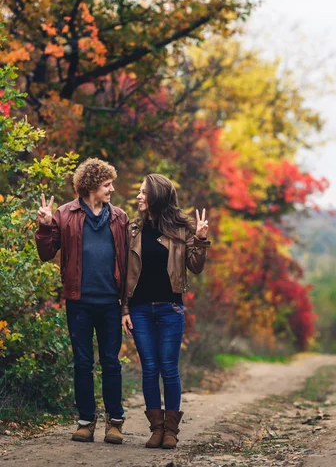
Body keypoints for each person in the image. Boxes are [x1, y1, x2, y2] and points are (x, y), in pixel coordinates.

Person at [35, 158, 129, 444]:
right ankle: (85, 421)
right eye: (107, 185)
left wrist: (126, 304)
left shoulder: (119, 217)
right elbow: (46, 254)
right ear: (90, 187)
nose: (112, 189)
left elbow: (127, 263)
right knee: (82, 363)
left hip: (111, 303)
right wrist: (44, 226)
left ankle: (114, 422)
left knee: (111, 362)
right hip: (79, 301)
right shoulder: (64, 214)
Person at [121, 174, 210, 450]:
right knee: (149, 369)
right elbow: (124, 273)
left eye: (143, 192)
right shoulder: (133, 229)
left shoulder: (182, 230)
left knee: (169, 369)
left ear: (157, 196)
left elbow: (195, 267)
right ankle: (156, 429)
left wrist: (200, 240)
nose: (138, 197)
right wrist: (124, 308)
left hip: (171, 309)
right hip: (139, 310)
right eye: (138, 192)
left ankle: (171, 430)